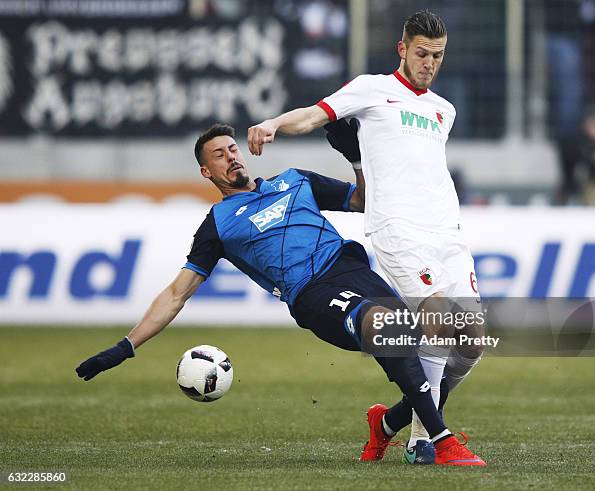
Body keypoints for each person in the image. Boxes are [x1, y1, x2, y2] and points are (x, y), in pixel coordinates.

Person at [76, 123, 486, 467]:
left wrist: (357, 159)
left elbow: (363, 202)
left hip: (355, 270)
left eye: (233, 149)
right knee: (381, 327)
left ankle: (385, 425)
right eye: (219, 154)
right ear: (206, 172)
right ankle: (441, 438)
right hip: (312, 294)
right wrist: (125, 346)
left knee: (451, 336)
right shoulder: (218, 224)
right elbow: (177, 293)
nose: (231, 157)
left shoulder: (295, 181)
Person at [247, 10, 485, 464]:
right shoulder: (372, 89)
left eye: (438, 55)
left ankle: (389, 422)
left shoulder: (443, 110)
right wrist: (275, 124)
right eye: (422, 53)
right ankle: (426, 443)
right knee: (435, 323)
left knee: (471, 343)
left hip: (447, 232)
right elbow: (314, 115)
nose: (430, 63)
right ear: (402, 49)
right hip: (397, 228)